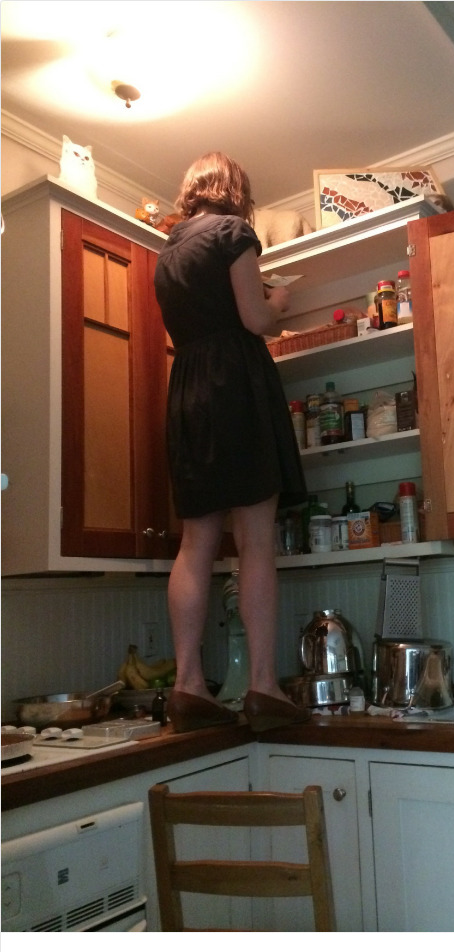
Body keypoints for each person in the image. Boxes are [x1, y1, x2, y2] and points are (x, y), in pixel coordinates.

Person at [153, 152, 310, 734]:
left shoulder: (167, 251)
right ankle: (264, 687)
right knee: (256, 541)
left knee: (196, 541)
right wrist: (278, 304)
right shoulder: (232, 231)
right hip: (236, 386)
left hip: (188, 389)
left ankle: (188, 685)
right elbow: (252, 319)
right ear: (235, 191)